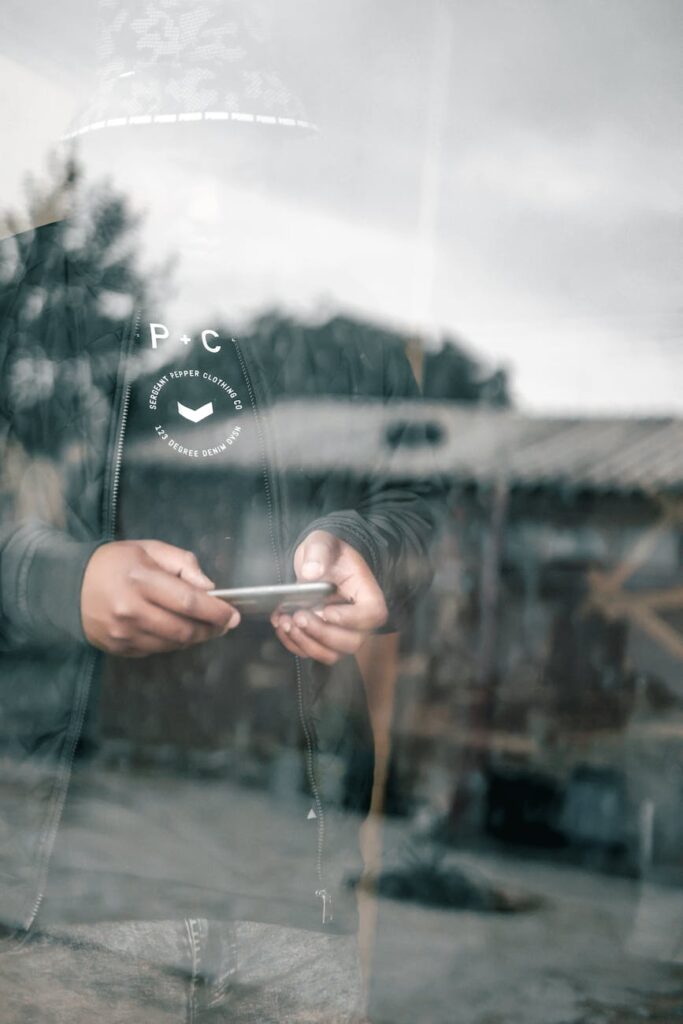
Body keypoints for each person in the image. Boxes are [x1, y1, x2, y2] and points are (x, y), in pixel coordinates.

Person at [0, 6, 442, 1021]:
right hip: (53, 893)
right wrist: (61, 580)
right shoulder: (26, 298)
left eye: (236, 152)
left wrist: (364, 546)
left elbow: (419, 502)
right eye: (174, 146)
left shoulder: (337, 326)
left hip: (300, 889)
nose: (204, 186)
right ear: (108, 151)